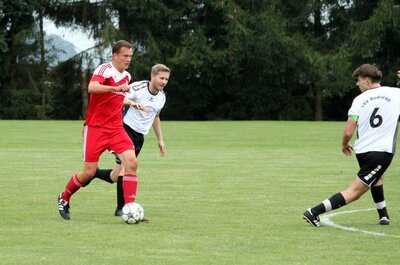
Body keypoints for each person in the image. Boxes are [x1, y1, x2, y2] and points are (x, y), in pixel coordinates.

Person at [303, 64, 400, 227]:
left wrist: (344, 144)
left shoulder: (359, 100)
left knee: (376, 178)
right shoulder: (395, 93)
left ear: (368, 80)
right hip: (381, 153)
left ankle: (383, 216)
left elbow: (349, 131)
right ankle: (313, 212)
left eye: (359, 80)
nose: (357, 84)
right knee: (354, 192)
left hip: (362, 151)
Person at [57, 40, 143, 223]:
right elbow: (92, 88)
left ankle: (130, 208)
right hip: (95, 128)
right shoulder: (104, 70)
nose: (128, 59)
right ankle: (64, 197)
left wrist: (129, 101)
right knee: (88, 172)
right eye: (125, 56)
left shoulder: (127, 76)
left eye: (130, 56)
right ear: (115, 55)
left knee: (132, 163)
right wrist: (115, 88)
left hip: (116, 128)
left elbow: (117, 100)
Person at [85, 64, 170, 217]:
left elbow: (155, 117)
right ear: (153, 76)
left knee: (116, 176)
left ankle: (94, 174)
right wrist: (132, 103)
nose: (163, 81)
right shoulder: (137, 87)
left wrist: (160, 140)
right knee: (126, 168)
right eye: (161, 78)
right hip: (124, 129)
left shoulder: (162, 97)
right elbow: (118, 98)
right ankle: (122, 208)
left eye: (166, 79)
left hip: (139, 136)